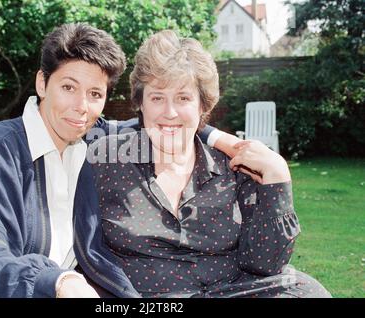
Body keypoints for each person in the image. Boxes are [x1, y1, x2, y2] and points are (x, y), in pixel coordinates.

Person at [0, 24, 238, 298]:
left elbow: (163, 122)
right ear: (41, 83)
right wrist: (58, 282)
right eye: (68, 87)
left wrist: (225, 140)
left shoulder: (96, 140)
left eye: (95, 94)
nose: (81, 107)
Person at [78, 30, 332, 298]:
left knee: (308, 291)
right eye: (157, 98)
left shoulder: (233, 168)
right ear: (140, 103)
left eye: (183, 98)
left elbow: (265, 264)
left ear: (203, 105)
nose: (170, 112)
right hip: (145, 296)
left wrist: (278, 176)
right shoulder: (106, 158)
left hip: (228, 290)